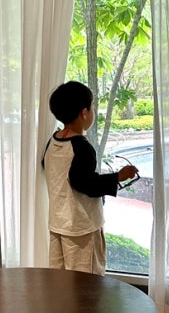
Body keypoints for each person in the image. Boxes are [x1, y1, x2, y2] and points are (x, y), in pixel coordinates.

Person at [42, 81, 138, 273]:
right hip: (81, 227)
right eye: (92, 107)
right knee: (86, 281)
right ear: (84, 113)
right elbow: (85, 183)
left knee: (59, 278)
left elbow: (53, 170)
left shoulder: (53, 141)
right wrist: (118, 177)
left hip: (58, 223)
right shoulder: (82, 147)